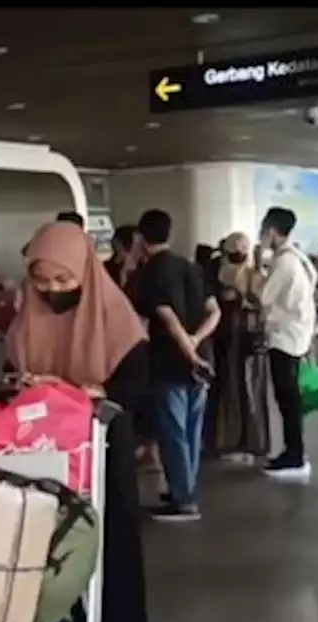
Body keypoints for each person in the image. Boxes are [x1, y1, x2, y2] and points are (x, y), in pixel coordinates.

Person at [5, 220, 153, 622]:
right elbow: (10, 377)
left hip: (103, 461)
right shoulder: (26, 319)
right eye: (42, 282)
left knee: (108, 563)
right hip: (40, 465)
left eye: (64, 282)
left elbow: (134, 394)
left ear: (86, 275)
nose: (52, 292)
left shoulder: (118, 321)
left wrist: (87, 394)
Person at [133, 209, 220, 521]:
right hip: (203, 361)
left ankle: (183, 501)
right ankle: (185, 489)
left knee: (173, 432)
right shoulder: (192, 268)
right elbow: (214, 311)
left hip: (171, 361)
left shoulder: (152, 271)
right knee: (191, 431)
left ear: (141, 238)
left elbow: (165, 315)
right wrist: (198, 342)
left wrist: (188, 349)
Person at [258, 207, 318, 481]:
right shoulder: (298, 258)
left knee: (287, 398)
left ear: (271, 231)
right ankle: (293, 451)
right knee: (288, 397)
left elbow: (263, 296)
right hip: (297, 335)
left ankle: (294, 454)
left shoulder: (283, 263)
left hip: (284, 337)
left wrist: (257, 264)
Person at [206, 231, 271, 462]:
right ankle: (241, 440)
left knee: (238, 386)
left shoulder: (229, 273)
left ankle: (237, 439)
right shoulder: (241, 273)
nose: (240, 253)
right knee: (241, 386)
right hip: (235, 339)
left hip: (238, 339)